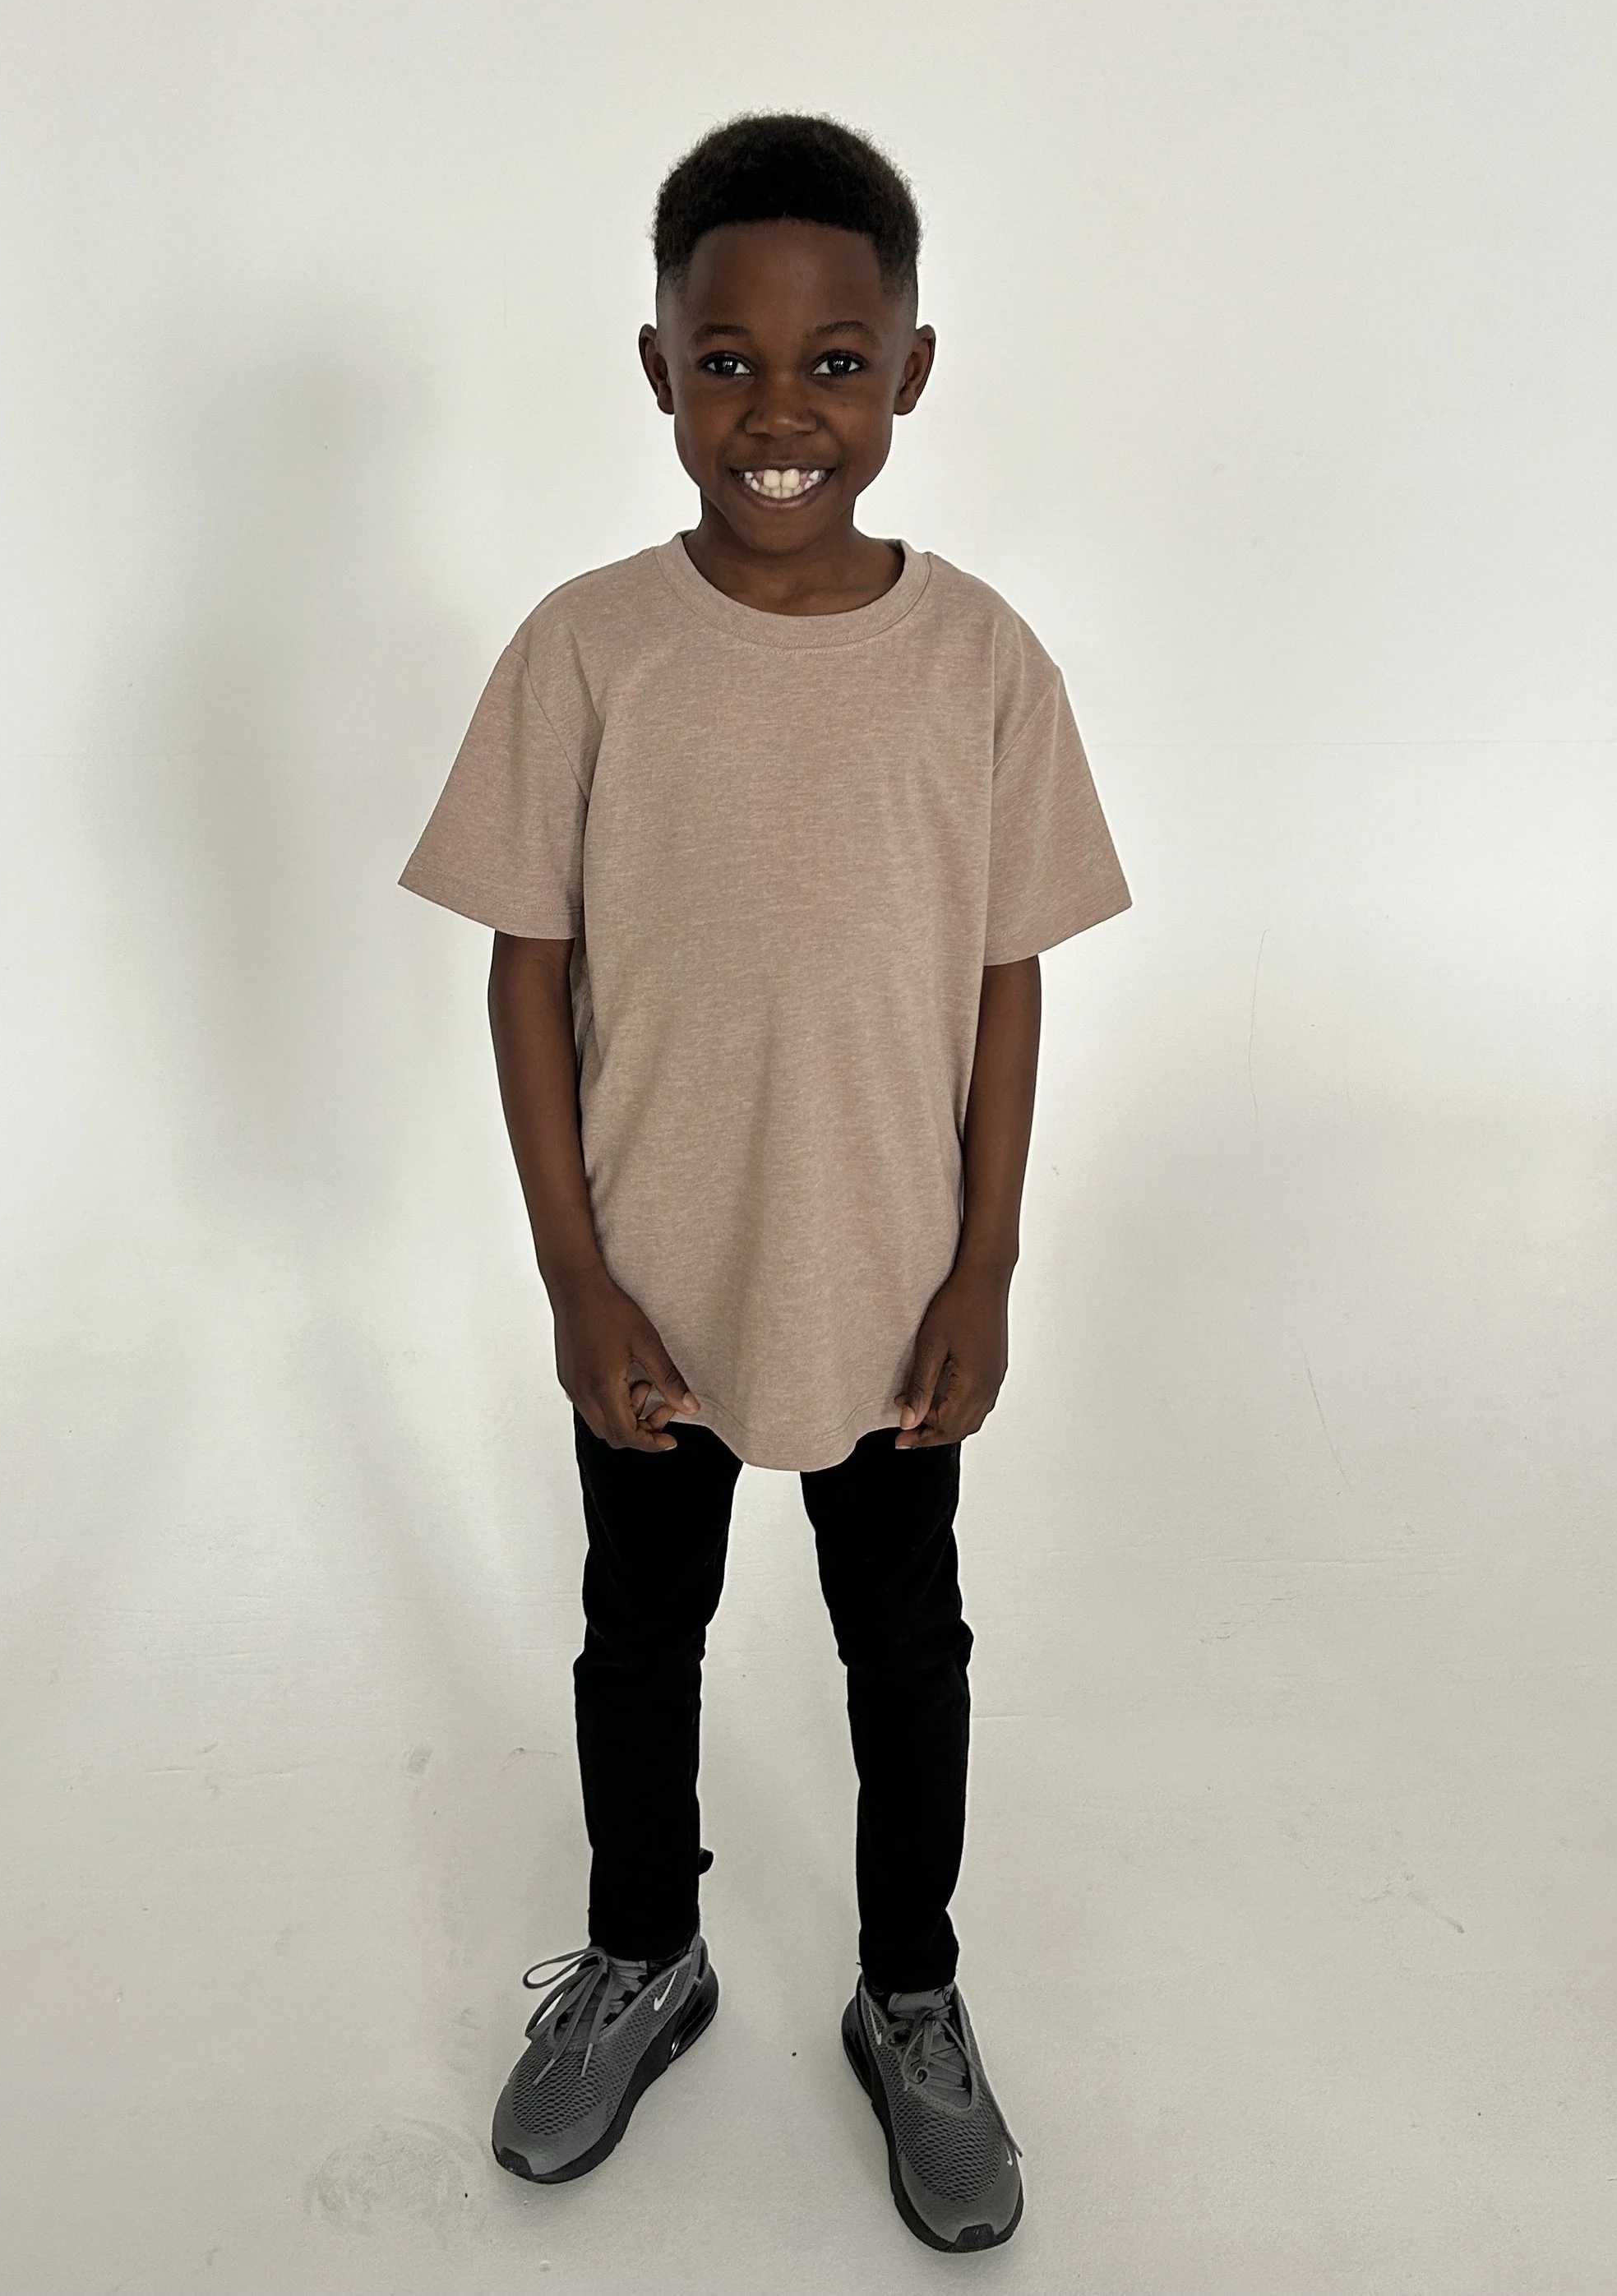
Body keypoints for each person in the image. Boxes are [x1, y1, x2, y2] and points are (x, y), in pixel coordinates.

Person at [395, 112, 1131, 2255]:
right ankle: (649, 1949)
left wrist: (981, 1268)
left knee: (903, 1654)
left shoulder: (983, 662)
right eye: (727, 361)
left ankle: (909, 1996)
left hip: (889, 1291)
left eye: (831, 362)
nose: (777, 411)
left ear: (913, 370)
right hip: (655, 1282)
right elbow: (525, 975)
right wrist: (572, 1281)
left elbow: (1007, 990)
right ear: (652, 368)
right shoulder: (585, 649)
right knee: (642, 1636)